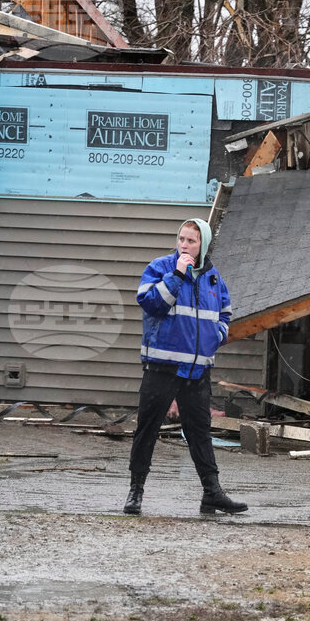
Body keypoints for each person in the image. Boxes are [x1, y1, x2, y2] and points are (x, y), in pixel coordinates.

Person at [123, 218, 247, 515]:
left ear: (202, 244)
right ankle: (135, 491)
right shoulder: (160, 267)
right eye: (181, 239)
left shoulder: (214, 278)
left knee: (200, 432)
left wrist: (216, 337)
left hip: (197, 370)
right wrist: (176, 276)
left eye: (191, 241)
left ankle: (212, 493)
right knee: (147, 429)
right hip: (162, 366)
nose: (184, 245)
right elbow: (152, 304)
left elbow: (225, 313)